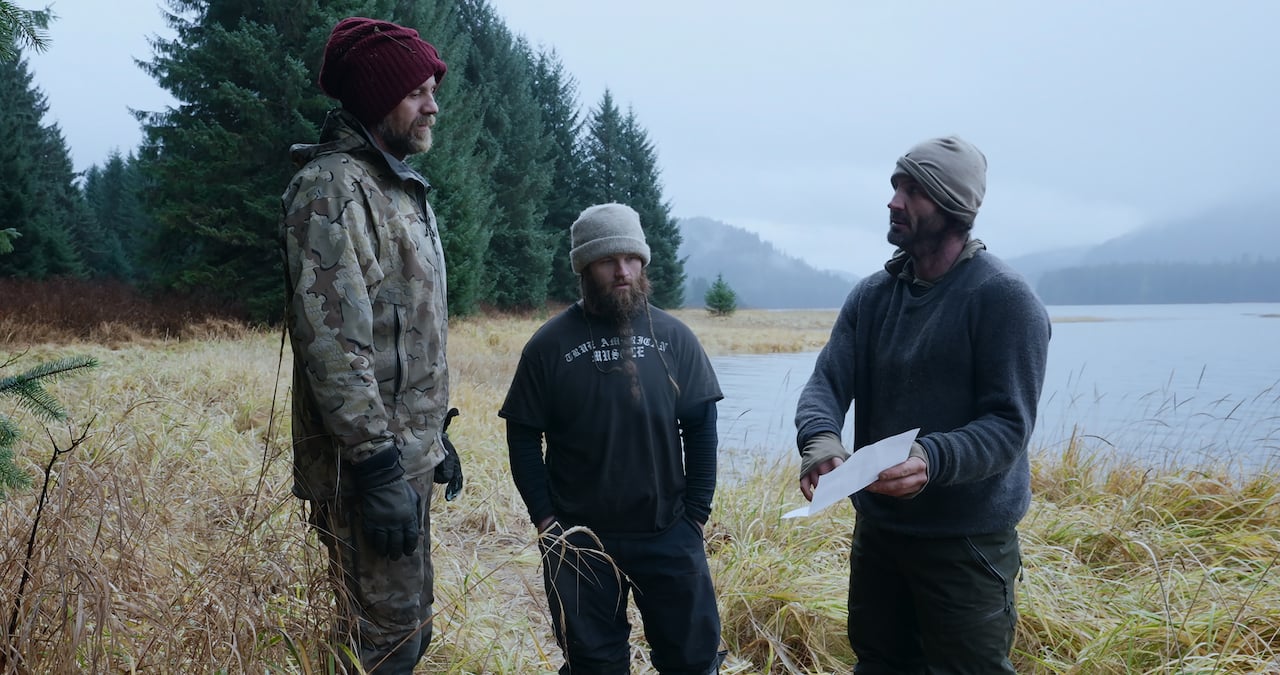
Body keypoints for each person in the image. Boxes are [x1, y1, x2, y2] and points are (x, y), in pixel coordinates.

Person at [794, 136, 1051, 673]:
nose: (893, 201)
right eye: (895, 185)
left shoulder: (1004, 299)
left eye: (913, 190)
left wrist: (931, 459)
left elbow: (1008, 426)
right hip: (880, 537)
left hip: (967, 545)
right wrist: (820, 444)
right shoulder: (872, 296)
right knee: (880, 663)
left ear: (954, 208)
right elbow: (826, 384)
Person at [280, 16, 458, 673]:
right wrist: (378, 467)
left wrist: (433, 435)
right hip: (367, 474)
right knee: (381, 646)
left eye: (432, 89)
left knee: (408, 631)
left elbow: (402, 334)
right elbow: (335, 346)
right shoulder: (332, 192)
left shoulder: (397, 190)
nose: (432, 104)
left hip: (400, 459)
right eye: (416, 91)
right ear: (377, 97)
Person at [500, 203, 727, 674]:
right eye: (607, 260)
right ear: (584, 267)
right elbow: (522, 436)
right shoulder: (549, 346)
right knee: (594, 665)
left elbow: (701, 429)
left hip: (668, 533)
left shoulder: (675, 338)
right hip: (579, 542)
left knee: (693, 661)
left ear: (643, 262)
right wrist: (547, 523)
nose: (622, 271)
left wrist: (696, 517)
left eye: (631, 258)